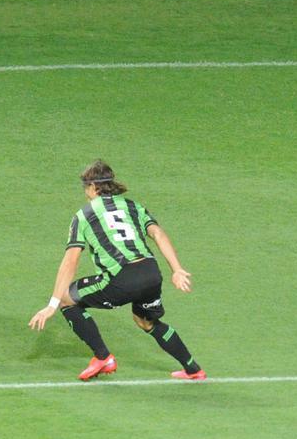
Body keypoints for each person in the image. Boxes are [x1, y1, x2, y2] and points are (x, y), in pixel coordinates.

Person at [28, 160, 206, 381]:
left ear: (94, 187)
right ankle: (193, 369)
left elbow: (71, 260)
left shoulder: (84, 215)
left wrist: (52, 304)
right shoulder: (133, 206)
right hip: (151, 273)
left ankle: (103, 357)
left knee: (67, 299)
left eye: (85, 187)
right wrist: (176, 269)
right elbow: (158, 234)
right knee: (145, 321)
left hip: (122, 278)